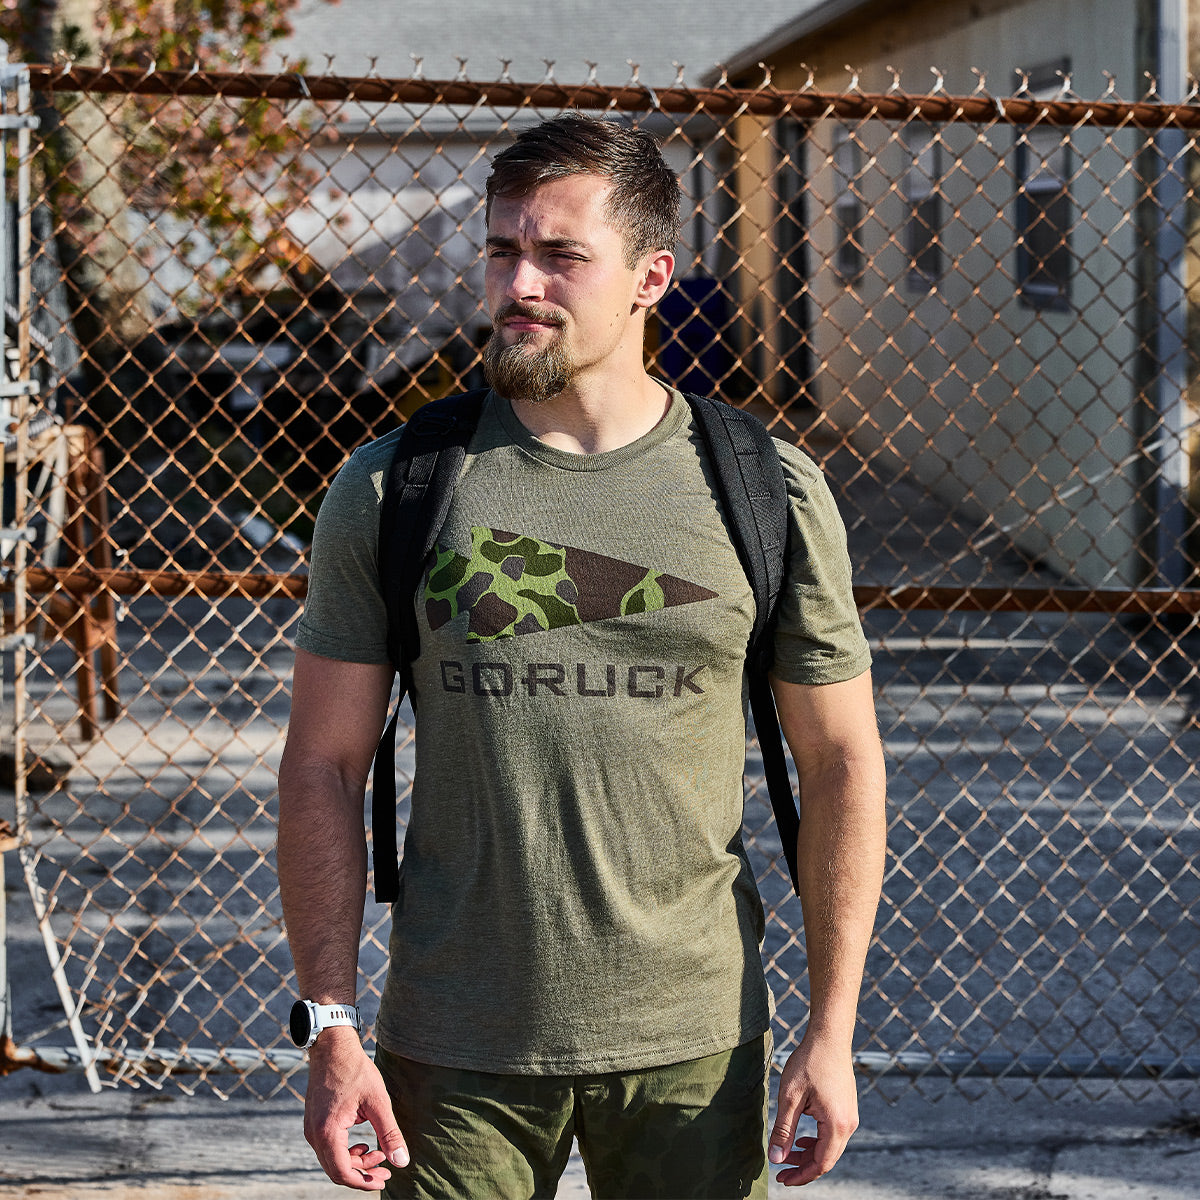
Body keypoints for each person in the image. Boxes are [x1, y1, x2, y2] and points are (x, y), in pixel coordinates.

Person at [277, 113, 887, 1199]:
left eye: (562, 256)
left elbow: (841, 760)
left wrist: (831, 1034)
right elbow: (323, 767)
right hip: (456, 1045)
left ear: (651, 275)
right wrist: (331, 1027)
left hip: (692, 1041)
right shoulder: (394, 486)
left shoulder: (766, 487)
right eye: (504, 249)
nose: (522, 284)